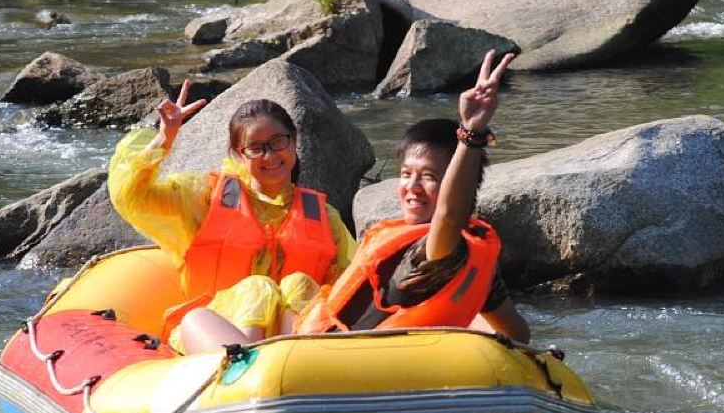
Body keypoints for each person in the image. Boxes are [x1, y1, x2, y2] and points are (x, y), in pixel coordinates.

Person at [293, 49, 529, 342]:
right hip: (321, 353)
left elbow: (450, 216)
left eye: (429, 177)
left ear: (459, 183)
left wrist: (472, 132)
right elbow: (520, 334)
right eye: (406, 174)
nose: (412, 186)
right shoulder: (431, 250)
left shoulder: (438, 249)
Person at [107, 80, 357, 351]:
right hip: (213, 330)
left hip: (293, 342)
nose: (269, 156)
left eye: (277, 142)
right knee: (258, 288)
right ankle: (244, 369)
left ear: (294, 140)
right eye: (255, 148)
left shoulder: (323, 216)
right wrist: (165, 137)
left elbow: (350, 281)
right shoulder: (205, 197)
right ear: (239, 154)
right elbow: (131, 195)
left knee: (299, 284)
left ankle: (293, 363)